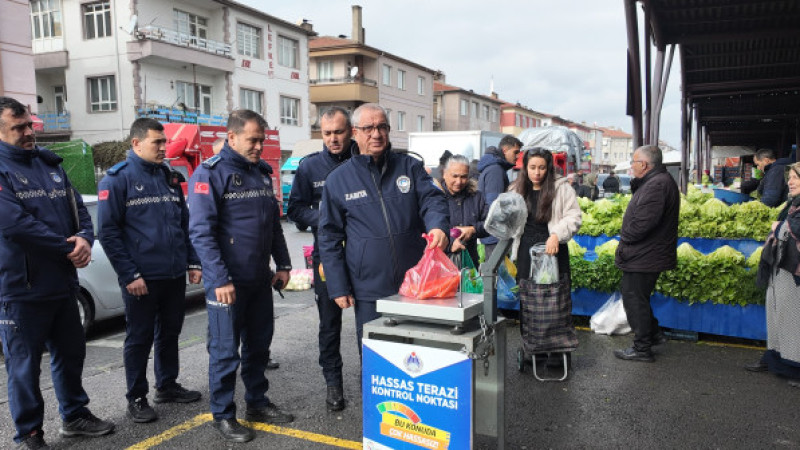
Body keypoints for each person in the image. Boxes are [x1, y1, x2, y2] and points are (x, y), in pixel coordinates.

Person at [0, 96, 115, 448]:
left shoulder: (50, 165)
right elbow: (16, 224)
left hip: (63, 283)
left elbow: (78, 208)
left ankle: (75, 416)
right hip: (22, 289)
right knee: (24, 367)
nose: (27, 132)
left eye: (29, 125)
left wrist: (83, 237)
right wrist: (69, 247)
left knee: (71, 353)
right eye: (17, 128)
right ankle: (30, 432)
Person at [188, 109, 293, 443]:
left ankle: (257, 403)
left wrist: (284, 264)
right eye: (253, 139)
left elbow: (273, 224)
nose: (259, 146)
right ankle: (222, 414)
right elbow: (201, 233)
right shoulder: (209, 174)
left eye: (262, 139)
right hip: (227, 285)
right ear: (231, 137)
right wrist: (219, 279)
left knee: (259, 346)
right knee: (224, 351)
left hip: (259, 279)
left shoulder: (261, 172)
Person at [318, 103, 450, 351]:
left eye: (382, 127)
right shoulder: (338, 180)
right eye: (368, 128)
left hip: (417, 282)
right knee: (377, 357)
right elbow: (329, 237)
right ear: (355, 132)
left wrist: (438, 226)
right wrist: (337, 286)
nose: (376, 134)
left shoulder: (409, 167)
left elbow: (433, 199)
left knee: (419, 353)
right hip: (369, 289)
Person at [97, 118, 203, 424]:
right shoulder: (117, 180)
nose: (163, 148)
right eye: (157, 142)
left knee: (170, 333)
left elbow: (184, 224)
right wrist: (129, 275)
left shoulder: (168, 177)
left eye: (164, 142)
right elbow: (109, 233)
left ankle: (167, 385)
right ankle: (137, 397)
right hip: (141, 278)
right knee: (140, 338)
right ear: (136, 143)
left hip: (171, 274)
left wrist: (192, 262)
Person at [287, 106, 357, 412]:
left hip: (363, 257)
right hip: (326, 258)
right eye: (327, 133)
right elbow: (295, 210)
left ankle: (379, 380)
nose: (333, 139)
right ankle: (333, 384)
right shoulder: (309, 167)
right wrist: (327, 218)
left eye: (338, 132)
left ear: (350, 131)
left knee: (372, 323)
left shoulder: (363, 161)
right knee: (330, 326)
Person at [510, 148, 582, 365]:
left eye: (542, 167)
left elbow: (573, 217)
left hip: (553, 250)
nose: (537, 172)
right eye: (532, 167)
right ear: (525, 168)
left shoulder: (562, 189)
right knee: (528, 299)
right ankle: (534, 349)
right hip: (526, 251)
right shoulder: (516, 189)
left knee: (555, 299)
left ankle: (557, 351)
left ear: (549, 168)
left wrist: (556, 235)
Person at [614, 145, 679, 362]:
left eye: (633, 162)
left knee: (634, 299)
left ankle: (642, 348)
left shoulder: (657, 185)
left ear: (643, 164)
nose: (631, 166)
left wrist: (625, 237)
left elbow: (642, 224)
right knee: (637, 297)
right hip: (648, 253)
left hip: (644, 255)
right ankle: (653, 335)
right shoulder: (656, 182)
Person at [746, 162, 800, 387]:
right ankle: (774, 358)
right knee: (776, 315)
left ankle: (794, 367)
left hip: (792, 271)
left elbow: (791, 229)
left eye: (796, 178)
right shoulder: (791, 204)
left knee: (792, 319)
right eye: (790, 178)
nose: (790, 182)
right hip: (779, 267)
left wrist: (779, 227)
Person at [439, 154, 489, 266]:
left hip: (469, 264)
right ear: (444, 174)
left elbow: (490, 225)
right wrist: (450, 244)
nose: (459, 181)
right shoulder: (435, 198)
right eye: (455, 176)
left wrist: (473, 229)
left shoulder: (476, 197)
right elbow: (425, 230)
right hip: (441, 266)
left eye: (463, 177)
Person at [478, 136, 522, 260]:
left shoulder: (495, 168)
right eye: (515, 152)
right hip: (495, 235)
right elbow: (494, 206)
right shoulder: (495, 170)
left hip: (494, 234)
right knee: (496, 276)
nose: (518, 156)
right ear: (504, 150)